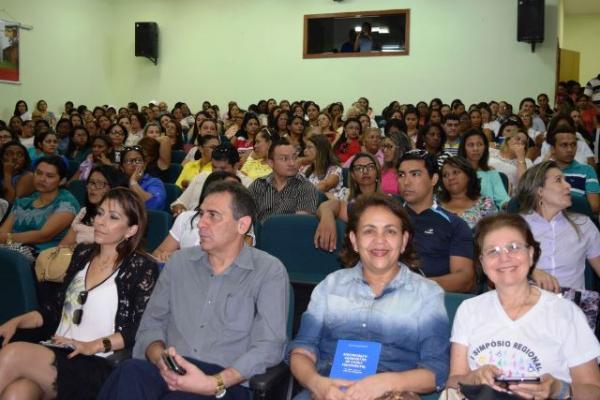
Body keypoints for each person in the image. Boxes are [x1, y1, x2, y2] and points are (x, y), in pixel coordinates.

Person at [99, 181, 289, 400]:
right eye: (201, 214)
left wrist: (213, 383)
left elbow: (269, 346)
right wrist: (161, 360)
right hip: (171, 368)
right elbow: (151, 325)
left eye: (213, 216)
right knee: (129, 372)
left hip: (225, 383)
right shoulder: (179, 262)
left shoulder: (268, 271)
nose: (201, 224)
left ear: (242, 225)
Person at [0, 188, 159, 399]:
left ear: (130, 230)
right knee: (17, 393)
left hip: (98, 362)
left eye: (113, 217)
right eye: (100, 213)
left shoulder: (141, 266)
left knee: (13, 354)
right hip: (58, 352)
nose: (100, 221)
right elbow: (53, 310)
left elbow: (139, 329)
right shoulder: (83, 254)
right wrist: (17, 322)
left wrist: (92, 345)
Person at [288, 194, 449, 399]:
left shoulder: (427, 293)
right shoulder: (330, 286)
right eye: (369, 231)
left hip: (394, 394)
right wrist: (318, 384)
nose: (379, 240)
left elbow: (436, 371)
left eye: (390, 231)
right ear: (354, 240)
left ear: (403, 241)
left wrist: (387, 383)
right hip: (327, 392)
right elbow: (301, 351)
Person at [447, 213, 600, 399]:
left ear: (531, 253)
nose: (504, 258)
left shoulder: (566, 313)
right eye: (492, 251)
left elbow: (594, 391)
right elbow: (453, 381)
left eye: (513, 247)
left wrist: (559, 389)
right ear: (483, 263)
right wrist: (473, 377)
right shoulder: (469, 310)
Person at [397, 150, 475, 292]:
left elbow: (465, 279)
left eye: (415, 174)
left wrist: (416, 286)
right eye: (401, 175)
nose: (406, 182)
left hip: (431, 302)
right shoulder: (386, 218)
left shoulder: (455, 224)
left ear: (433, 179)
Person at [517, 161, 600, 291]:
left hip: (572, 307)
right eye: (558, 180)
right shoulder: (516, 227)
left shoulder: (583, 224)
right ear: (540, 191)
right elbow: (497, 270)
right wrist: (530, 270)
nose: (568, 185)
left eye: (565, 180)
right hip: (528, 305)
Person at [153, 171, 242, 262]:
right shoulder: (186, 218)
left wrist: (180, 258)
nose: (236, 196)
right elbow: (159, 252)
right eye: (231, 190)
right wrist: (164, 257)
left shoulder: (237, 224)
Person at [0, 156, 79, 254]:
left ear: (62, 181)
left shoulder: (67, 203)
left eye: (49, 176)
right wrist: (6, 239)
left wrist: (8, 238)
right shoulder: (24, 201)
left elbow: (43, 235)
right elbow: (3, 232)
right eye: (39, 173)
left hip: (42, 255)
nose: (42, 179)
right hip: (11, 250)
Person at [248, 138, 319, 223]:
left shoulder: (306, 187)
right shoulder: (258, 185)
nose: (292, 163)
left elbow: (300, 224)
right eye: (284, 159)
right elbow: (246, 217)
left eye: (294, 157)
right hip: (260, 234)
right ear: (271, 163)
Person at [172, 143, 254, 215]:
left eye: (223, 168)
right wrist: (182, 214)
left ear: (236, 166)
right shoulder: (202, 177)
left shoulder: (247, 185)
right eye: (214, 167)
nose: (217, 172)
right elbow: (178, 203)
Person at [59, 165, 129, 247]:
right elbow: (63, 246)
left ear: (114, 188)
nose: (92, 188)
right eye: (91, 182)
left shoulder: (119, 219)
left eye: (100, 184)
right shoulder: (84, 212)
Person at [543, 126, 600, 214]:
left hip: (579, 221)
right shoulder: (545, 171)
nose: (570, 150)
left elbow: (594, 207)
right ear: (552, 149)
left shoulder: (587, 170)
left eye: (573, 144)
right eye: (564, 145)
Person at [439, 156, 497, 229]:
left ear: (469, 175)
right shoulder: (434, 204)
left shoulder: (485, 205)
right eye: (445, 175)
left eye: (455, 172)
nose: (450, 178)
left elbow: (494, 235)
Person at [458, 129, 510, 209]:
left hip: (488, 218)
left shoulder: (491, 172)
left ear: (485, 147)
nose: (476, 149)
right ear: (463, 148)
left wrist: (513, 205)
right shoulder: (456, 172)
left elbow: (503, 199)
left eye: (480, 144)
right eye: (471, 145)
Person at [120, 145, 166, 211]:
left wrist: (133, 182)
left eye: (138, 160)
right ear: (122, 168)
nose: (134, 164)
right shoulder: (116, 183)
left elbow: (154, 205)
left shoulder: (155, 182)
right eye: (129, 161)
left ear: (144, 165)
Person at [489, 125, 532, 195]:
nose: (520, 142)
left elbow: (525, 187)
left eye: (524, 142)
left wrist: (520, 158)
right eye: (517, 139)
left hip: (508, 198)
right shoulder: (490, 152)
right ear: (508, 140)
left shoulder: (527, 162)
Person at [381, 131, 411, 195]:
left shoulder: (410, 172)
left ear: (401, 148)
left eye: (389, 146)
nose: (385, 150)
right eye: (384, 146)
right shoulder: (381, 169)